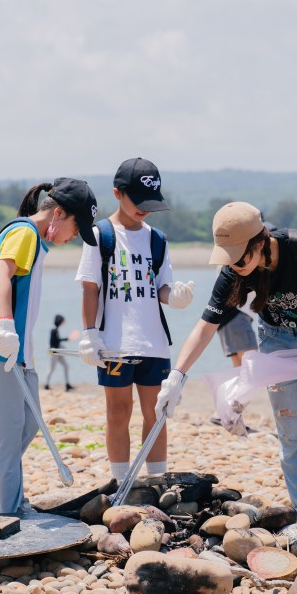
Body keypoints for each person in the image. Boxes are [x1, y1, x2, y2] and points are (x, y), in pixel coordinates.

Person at [155, 201, 297, 551]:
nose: (235, 265)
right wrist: (177, 376)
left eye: (240, 257)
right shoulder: (233, 271)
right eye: (228, 258)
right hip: (278, 342)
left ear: (261, 242)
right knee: (293, 434)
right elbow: (206, 326)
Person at [0, 179, 97, 515]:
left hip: (17, 351)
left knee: (28, 423)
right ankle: (10, 510)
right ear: (59, 212)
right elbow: (0, 276)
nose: (74, 238)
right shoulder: (24, 233)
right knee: (8, 432)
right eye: (77, 228)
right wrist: (5, 326)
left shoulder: (36, 239)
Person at [77, 158, 194, 481]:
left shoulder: (157, 239)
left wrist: (176, 297)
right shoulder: (99, 235)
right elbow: (90, 289)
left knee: (156, 414)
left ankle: (156, 480)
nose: (145, 209)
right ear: (117, 193)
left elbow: (162, 288)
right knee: (118, 411)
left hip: (153, 342)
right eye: (139, 202)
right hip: (114, 344)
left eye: (151, 203)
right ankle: (120, 480)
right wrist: (89, 334)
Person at [45, 314, 73, 391]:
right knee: (52, 369)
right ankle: (46, 384)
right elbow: (54, 342)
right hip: (54, 352)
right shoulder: (53, 329)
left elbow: (57, 341)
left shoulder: (55, 329)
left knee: (66, 366)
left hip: (58, 352)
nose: (62, 323)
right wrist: (66, 339)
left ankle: (67, 384)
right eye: (62, 321)